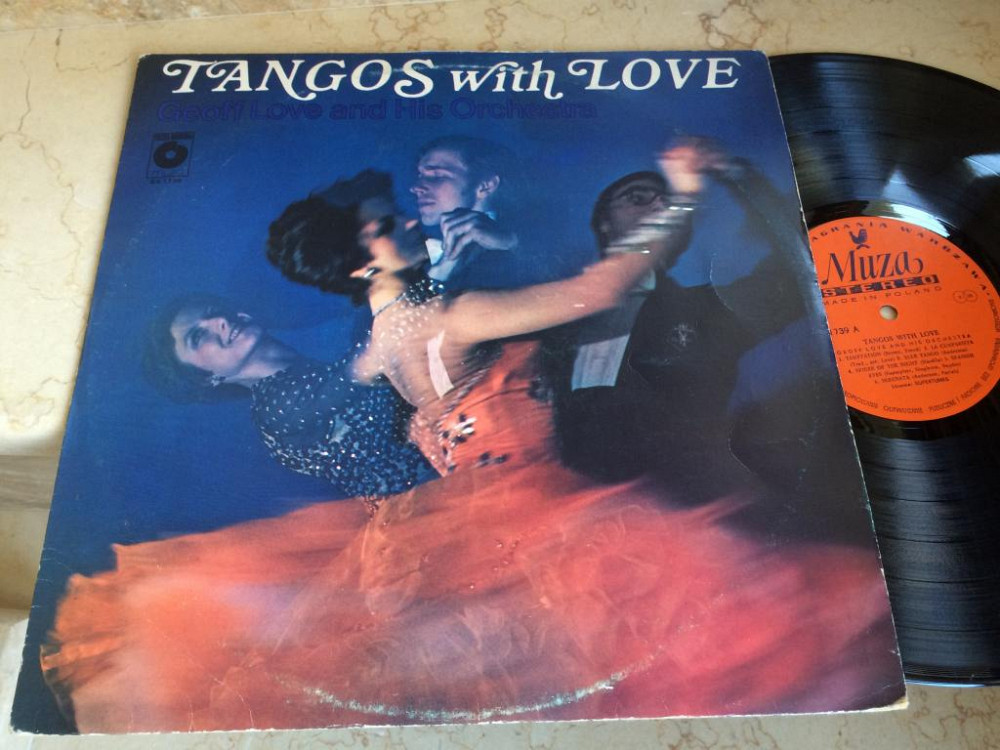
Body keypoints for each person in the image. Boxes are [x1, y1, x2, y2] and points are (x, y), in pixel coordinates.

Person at [40, 141, 903, 732]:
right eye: (389, 223)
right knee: (748, 632)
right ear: (362, 259)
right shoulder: (445, 319)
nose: (408, 223)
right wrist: (679, 192)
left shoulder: (379, 343)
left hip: (492, 517)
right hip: (530, 519)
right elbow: (601, 289)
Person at [143, 293, 434, 500]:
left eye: (213, 310)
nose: (219, 320)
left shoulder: (314, 342)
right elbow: (375, 355)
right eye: (197, 337)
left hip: (441, 465)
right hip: (425, 506)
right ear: (206, 379)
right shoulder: (276, 409)